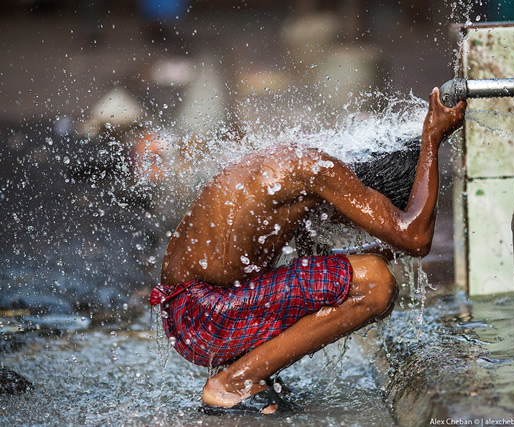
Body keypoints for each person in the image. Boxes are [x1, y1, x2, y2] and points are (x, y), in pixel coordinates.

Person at [149, 88, 466, 414]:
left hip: (190, 313)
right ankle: (235, 382)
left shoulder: (301, 167)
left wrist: (380, 248)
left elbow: (318, 268)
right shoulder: (322, 172)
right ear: (372, 194)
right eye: (366, 218)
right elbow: (415, 238)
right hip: (204, 318)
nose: (353, 226)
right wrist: (432, 138)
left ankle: (245, 373)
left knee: (360, 269)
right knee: (375, 283)